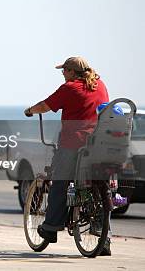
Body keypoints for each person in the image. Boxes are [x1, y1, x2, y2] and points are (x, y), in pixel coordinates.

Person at [24, 56, 111, 255]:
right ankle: (105, 239)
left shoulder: (70, 88)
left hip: (75, 143)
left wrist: (29, 110)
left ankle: (51, 227)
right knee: (102, 187)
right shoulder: (100, 85)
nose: (63, 73)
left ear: (72, 72)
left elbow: (45, 106)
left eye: (64, 70)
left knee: (60, 182)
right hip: (99, 145)